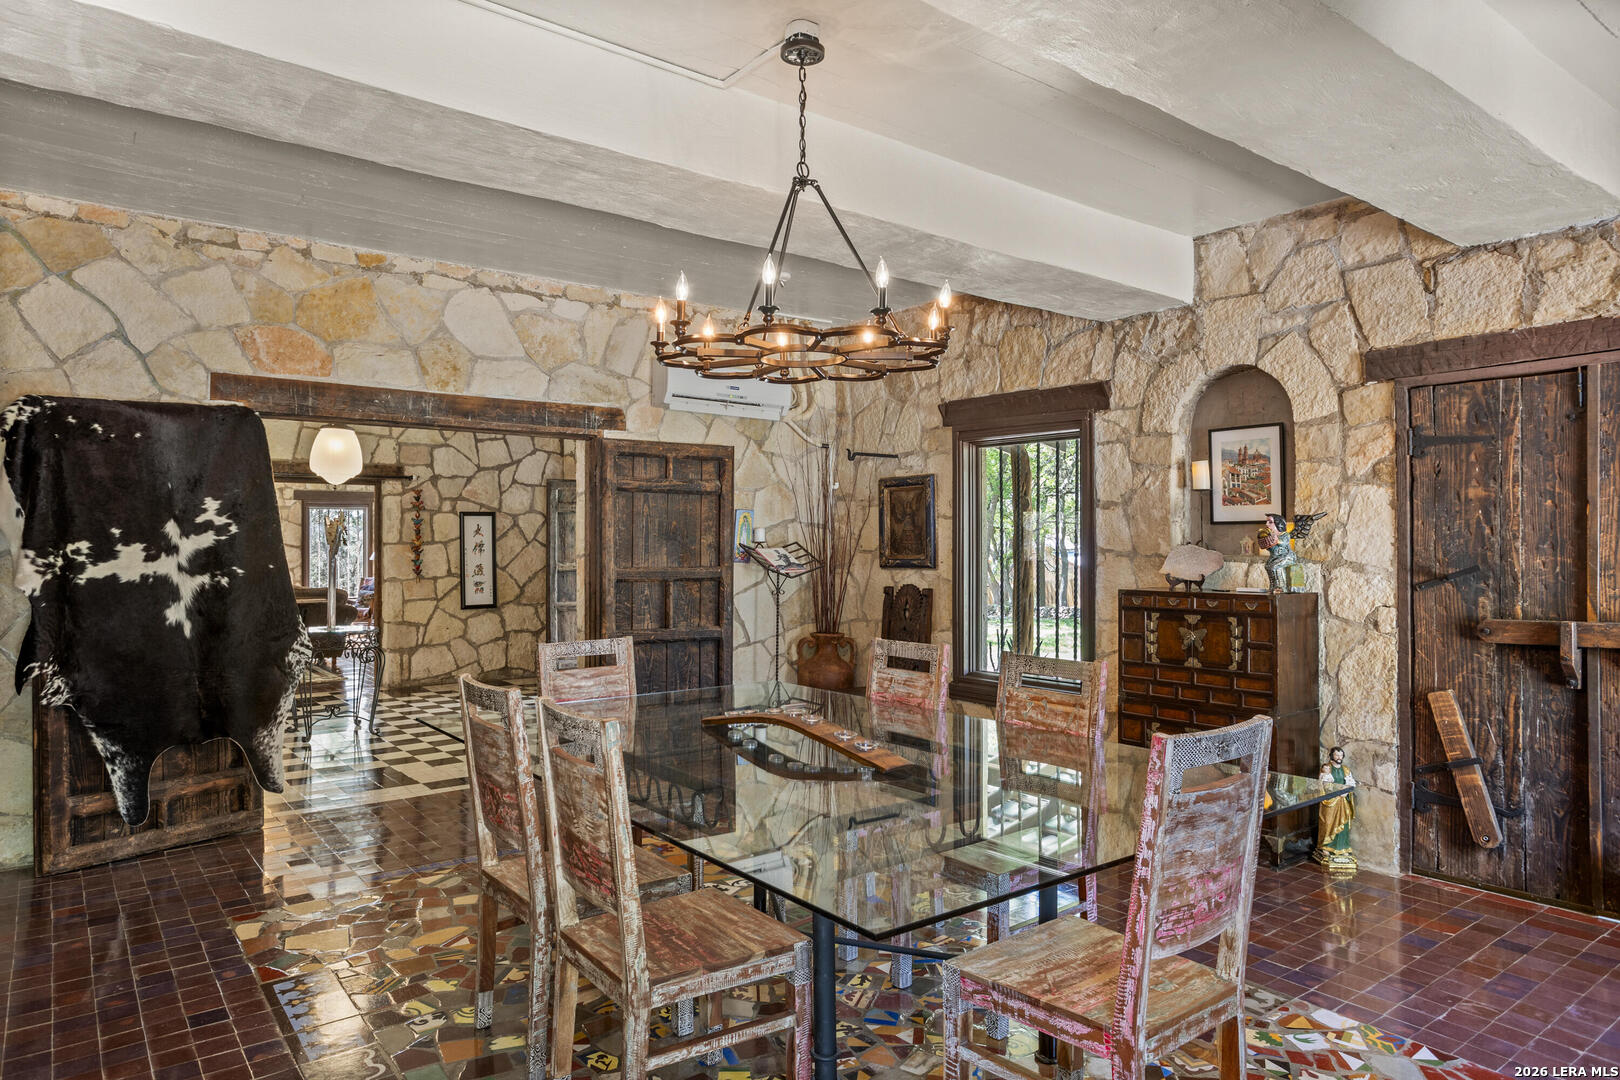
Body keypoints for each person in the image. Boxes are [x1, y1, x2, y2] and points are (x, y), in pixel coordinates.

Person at [1313, 745, 1357, 871]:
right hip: (1330, 801)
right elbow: (1323, 784)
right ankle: (1326, 847)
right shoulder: (1326, 768)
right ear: (1332, 755)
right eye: (1337, 755)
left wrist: (1346, 791)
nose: (1339, 757)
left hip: (1343, 800)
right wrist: (1335, 790)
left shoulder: (1346, 769)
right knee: (1329, 823)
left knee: (1344, 824)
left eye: (1341, 755)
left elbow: (1350, 782)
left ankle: (1342, 848)